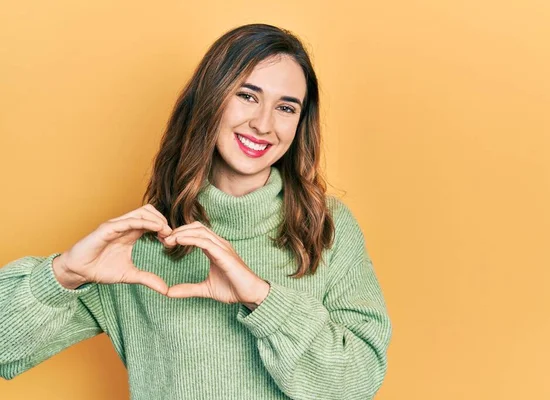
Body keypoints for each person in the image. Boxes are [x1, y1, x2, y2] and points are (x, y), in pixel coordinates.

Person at [0, 23, 392, 399]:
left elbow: (355, 385)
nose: (262, 124)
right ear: (211, 98)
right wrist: (63, 274)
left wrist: (261, 297)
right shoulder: (136, 248)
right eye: (247, 96)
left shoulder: (326, 227)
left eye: (286, 107)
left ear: (300, 123)